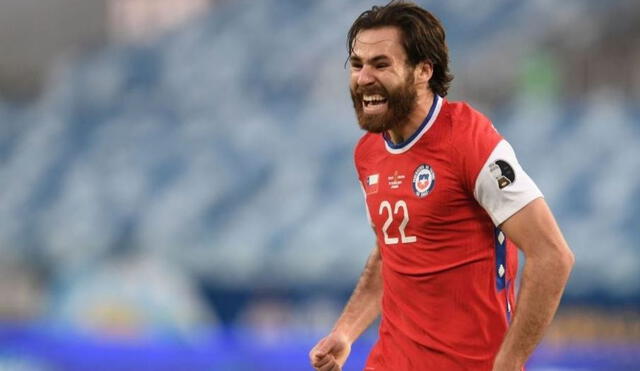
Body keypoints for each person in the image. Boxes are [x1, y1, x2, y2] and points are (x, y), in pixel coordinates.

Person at [308, 1, 575, 370]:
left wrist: (510, 362)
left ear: (423, 70)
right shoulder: (368, 151)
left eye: (381, 64)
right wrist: (345, 331)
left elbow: (553, 256)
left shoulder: (469, 140)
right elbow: (393, 251)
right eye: (357, 65)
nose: (363, 78)